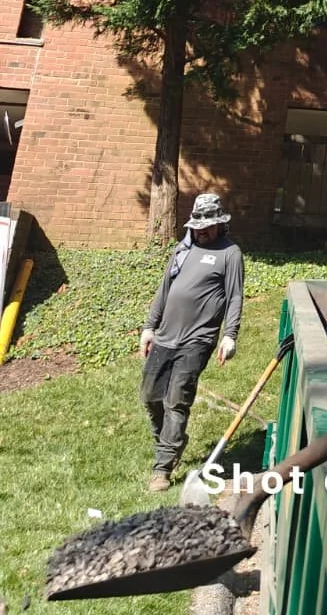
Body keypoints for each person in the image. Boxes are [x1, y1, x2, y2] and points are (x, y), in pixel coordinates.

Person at [139, 191, 244, 491]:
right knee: (150, 396)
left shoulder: (230, 253)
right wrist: (149, 327)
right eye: (198, 225)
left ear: (221, 224)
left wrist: (229, 335)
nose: (202, 230)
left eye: (208, 226)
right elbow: (165, 288)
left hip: (198, 339)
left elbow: (235, 296)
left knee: (176, 399)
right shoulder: (182, 249)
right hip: (165, 336)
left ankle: (163, 467)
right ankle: (171, 442)